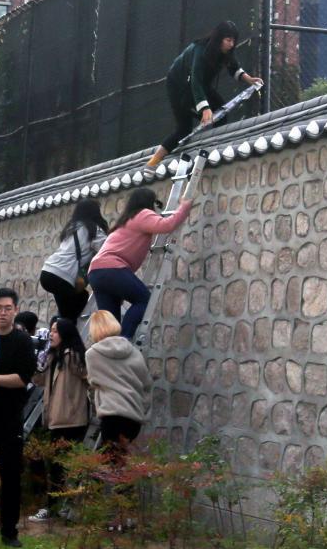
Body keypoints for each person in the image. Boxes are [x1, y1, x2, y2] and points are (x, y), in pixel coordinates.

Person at [145, 20, 263, 168]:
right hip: (179, 87)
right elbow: (196, 80)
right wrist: (204, 109)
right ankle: (152, 162)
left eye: (233, 41)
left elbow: (233, 67)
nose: (231, 44)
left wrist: (249, 79)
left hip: (199, 86)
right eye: (228, 40)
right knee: (184, 129)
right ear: (219, 39)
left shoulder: (224, 52)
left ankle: (212, 151)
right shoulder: (200, 51)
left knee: (221, 113)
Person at [88, 188, 193, 339]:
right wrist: (184, 207)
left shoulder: (125, 220)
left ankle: (110, 351)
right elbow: (167, 225)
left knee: (111, 324)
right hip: (112, 268)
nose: (156, 207)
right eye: (155, 203)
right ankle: (124, 340)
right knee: (144, 300)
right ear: (148, 202)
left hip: (96, 272)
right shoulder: (142, 214)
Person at [28, 318, 89, 523]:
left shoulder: (72, 356)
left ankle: (55, 507)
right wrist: (41, 358)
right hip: (56, 418)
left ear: (65, 334)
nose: (51, 334)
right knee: (56, 465)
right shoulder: (54, 357)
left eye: (56, 331)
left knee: (62, 466)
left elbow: (88, 377)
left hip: (71, 419)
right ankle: (58, 507)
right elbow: (37, 380)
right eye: (51, 331)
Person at [0, 288, 37, 548]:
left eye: (8, 308)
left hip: (9, 415)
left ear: (16, 310)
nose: (3, 312)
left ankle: (9, 530)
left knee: (11, 475)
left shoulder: (22, 342)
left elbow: (21, 379)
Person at [84, 311, 150, 460]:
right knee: (120, 465)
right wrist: (141, 409)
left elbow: (93, 386)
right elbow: (146, 385)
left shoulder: (93, 354)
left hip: (112, 416)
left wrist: (96, 407)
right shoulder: (133, 351)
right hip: (134, 418)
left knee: (108, 468)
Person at [40, 198, 109, 321]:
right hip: (62, 277)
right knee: (80, 299)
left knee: (66, 312)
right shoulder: (93, 229)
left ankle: (60, 329)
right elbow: (107, 249)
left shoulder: (71, 228)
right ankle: (65, 331)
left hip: (47, 272)